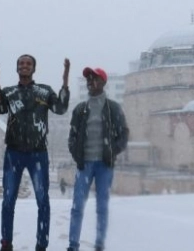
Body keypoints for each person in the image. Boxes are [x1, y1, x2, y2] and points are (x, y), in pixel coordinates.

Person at [0, 54, 70, 251]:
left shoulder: (44, 91)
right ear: (17, 68)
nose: (24, 66)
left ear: (34, 68)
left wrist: (65, 83)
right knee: (8, 199)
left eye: (28, 64)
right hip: (14, 152)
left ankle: (41, 244)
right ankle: (6, 242)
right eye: (21, 63)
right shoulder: (9, 92)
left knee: (43, 200)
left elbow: (60, 108)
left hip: (38, 153)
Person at [66, 67, 129, 251]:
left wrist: (112, 151)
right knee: (77, 206)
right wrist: (75, 152)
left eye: (94, 79)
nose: (90, 82)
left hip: (104, 166)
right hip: (84, 164)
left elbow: (123, 134)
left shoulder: (113, 108)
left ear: (103, 83)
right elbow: (72, 135)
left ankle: (100, 244)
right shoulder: (80, 109)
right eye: (88, 79)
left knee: (102, 206)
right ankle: (73, 245)